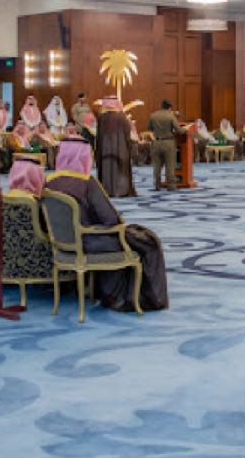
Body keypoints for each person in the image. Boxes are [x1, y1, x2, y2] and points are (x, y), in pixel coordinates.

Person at [44, 170, 168, 311]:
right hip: (92, 242)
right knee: (147, 242)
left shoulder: (49, 183)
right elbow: (111, 220)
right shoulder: (86, 183)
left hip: (63, 245)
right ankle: (140, 299)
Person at [95, 100, 135, 197]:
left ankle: (106, 190)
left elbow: (98, 135)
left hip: (105, 150)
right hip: (121, 149)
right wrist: (129, 146)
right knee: (120, 170)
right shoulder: (122, 117)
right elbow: (127, 133)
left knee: (106, 169)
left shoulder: (101, 118)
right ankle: (121, 191)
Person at [147, 101, 183, 190]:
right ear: (170, 107)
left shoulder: (153, 115)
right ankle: (171, 185)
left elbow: (149, 128)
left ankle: (157, 185)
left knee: (157, 166)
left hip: (156, 143)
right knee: (169, 165)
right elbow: (179, 130)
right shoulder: (171, 116)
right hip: (168, 143)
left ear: (162, 106)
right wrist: (186, 130)